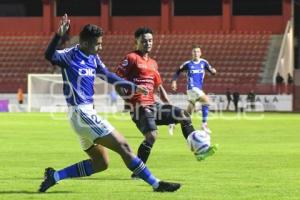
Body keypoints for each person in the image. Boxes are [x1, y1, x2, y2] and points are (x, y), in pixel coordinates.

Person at [38, 14, 180, 193]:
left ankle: (55, 176)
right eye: (98, 43)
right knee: (124, 146)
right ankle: (156, 184)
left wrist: (132, 86)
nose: (101, 46)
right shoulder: (69, 56)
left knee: (100, 163)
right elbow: (48, 54)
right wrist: (59, 35)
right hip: (82, 114)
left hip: (84, 115)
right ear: (85, 43)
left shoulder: (93, 58)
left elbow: (109, 76)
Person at [115, 27, 218, 179]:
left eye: (150, 40)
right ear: (136, 42)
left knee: (183, 115)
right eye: (144, 40)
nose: (147, 43)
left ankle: (199, 150)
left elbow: (159, 87)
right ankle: (138, 172)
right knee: (152, 136)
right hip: (139, 107)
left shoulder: (153, 63)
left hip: (153, 105)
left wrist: (168, 104)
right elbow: (117, 81)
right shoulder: (131, 58)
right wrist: (127, 99)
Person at [171, 45, 216, 133]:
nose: (196, 53)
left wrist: (214, 71)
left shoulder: (204, 62)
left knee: (188, 113)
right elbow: (177, 71)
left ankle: (173, 122)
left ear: (200, 53)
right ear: (192, 53)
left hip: (198, 88)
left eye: (198, 51)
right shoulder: (187, 64)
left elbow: (211, 70)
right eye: (194, 51)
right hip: (191, 88)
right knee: (206, 100)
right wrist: (174, 81)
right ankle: (204, 124)